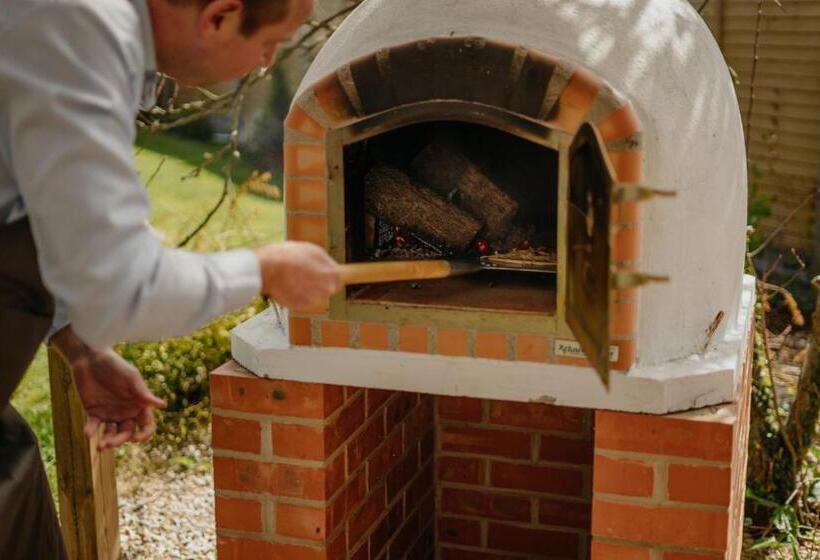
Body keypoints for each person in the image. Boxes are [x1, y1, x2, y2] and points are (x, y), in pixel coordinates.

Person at [0, 0, 338, 557]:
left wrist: (80, 349)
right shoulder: (78, 32)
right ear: (220, 15)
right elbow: (123, 291)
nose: (266, 62)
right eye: (269, 42)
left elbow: (44, 215)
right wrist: (264, 269)